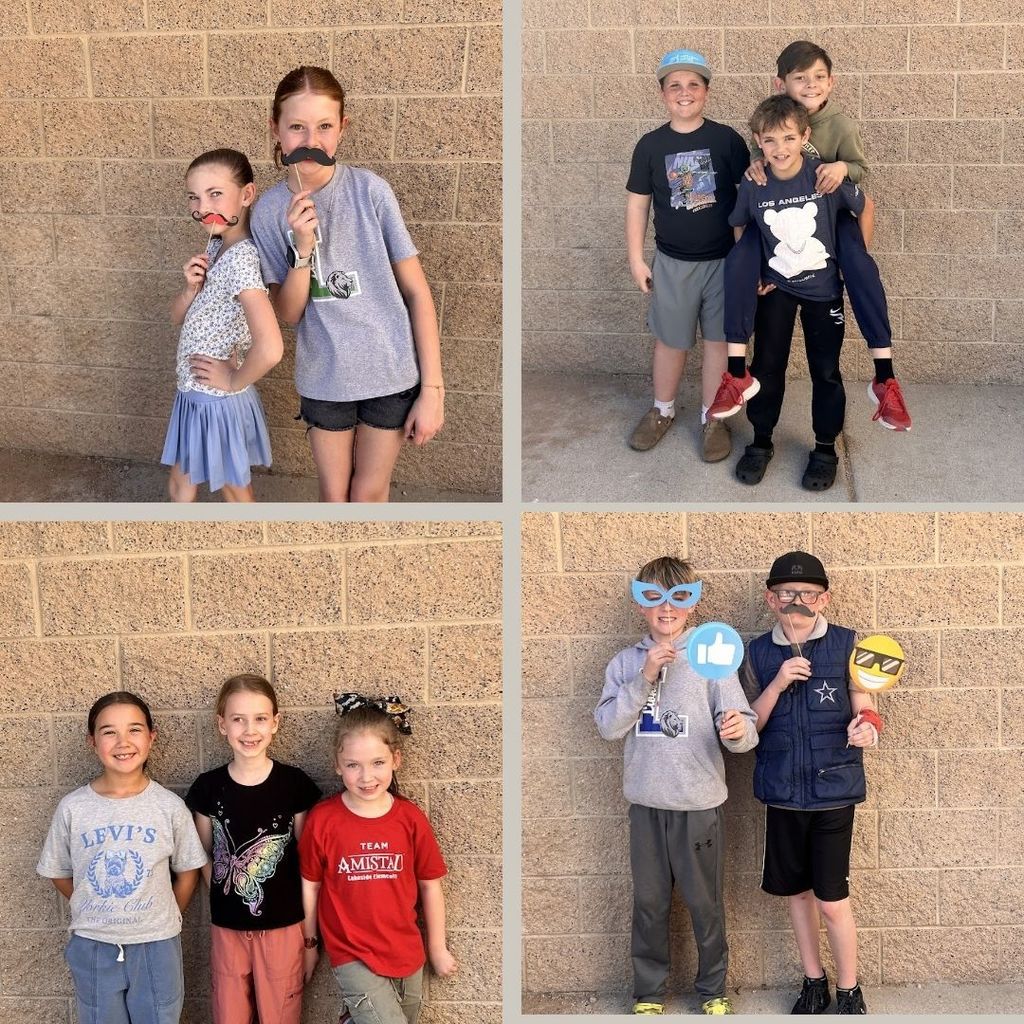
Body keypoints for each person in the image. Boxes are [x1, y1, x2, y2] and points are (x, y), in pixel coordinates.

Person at [250, 66, 445, 502]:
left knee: (370, 492)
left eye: (324, 126)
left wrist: (433, 390)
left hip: (391, 372)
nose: (310, 141)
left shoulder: (371, 192)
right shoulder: (267, 212)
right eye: (296, 127)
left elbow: (417, 293)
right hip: (325, 377)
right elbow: (289, 313)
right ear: (276, 131)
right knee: (334, 497)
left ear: (342, 128)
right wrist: (302, 249)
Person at [710, 40, 911, 432]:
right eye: (800, 78)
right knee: (741, 268)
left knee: (858, 267)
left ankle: (883, 377)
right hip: (775, 228)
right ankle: (750, 410)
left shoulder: (840, 125)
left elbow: (859, 174)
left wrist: (840, 169)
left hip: (832, 216)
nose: (810, 85)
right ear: (781, 83)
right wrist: (755, 167)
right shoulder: (773, 122)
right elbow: (764, 163)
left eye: (819, 77)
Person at [594, 557, 758, 1015]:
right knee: (648, 904)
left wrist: (737, 732)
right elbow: (608, 726)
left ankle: (713, 990)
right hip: (646, 805)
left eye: (679, 598)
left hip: (699, 805)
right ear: (639, 603)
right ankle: (649, 992)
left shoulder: (713, 660)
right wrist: (644, 676)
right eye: (654, 598)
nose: (666, 609)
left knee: (705, 905)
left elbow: (745, 730)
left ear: (693, 604)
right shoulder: (625, 662)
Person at [740, 551, 880, 1015]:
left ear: (824, 599)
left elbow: (865, 704)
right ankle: (813, 982)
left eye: (807, 595)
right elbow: (750, 726)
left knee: (832, 899)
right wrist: (778, 683)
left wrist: (867, 725)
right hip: (783, 793)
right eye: (786, 594)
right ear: (770, 598)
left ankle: (849, 988)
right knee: (797, 894)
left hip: (832, 793)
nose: (796, 602)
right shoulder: (758, 652)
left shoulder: (845, 644)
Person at [722, 95, 874, 491]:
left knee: (825, 370)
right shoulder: (754, 182)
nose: (780, 149)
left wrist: (854, 264)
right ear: (758, 141)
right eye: (770, 141)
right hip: (776, 289)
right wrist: (750, 270)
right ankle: (761, 441)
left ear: (804, 136)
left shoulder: (824, 175)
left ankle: (825, 448)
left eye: (789, 138)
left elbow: (865, 208)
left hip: (823, 292)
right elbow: (740, 226)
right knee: (767, 366)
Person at [36, 692, 208, 1024]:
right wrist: (96, 902)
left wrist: (164, 912)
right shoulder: (74, 808)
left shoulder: (168, 806)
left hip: (157, 945)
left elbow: (188, 872)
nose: (122, 742)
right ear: (92, 740)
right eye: (109, 731)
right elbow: (58, 871)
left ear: (151, 737)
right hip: (94, 945)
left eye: (134, 729)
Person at [298, 694, 458, 1023]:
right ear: (337, 764)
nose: (366, 776)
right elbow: (310, 886)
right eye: (353, 765)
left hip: (407, 952)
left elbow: (430, 887)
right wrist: (310, 944)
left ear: (396, 759)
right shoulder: (323, 820)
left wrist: (437, 948)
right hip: (352, 953)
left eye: (377, 763)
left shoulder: (409, 818)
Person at [624, 50, 750, 463]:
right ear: (662, 94)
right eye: (675, 85)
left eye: (693, 84)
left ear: (707, 92)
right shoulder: (651, 145)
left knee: (719, 342)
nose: (684, 92)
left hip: (724, 262)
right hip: (673, 262)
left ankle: (713, 417)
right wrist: (637, 258)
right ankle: (662, 410)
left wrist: (749, 259)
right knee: (671, 341)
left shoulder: (726, 140)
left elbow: (747, 200)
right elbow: (638, 204)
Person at [185, 675, 322, 1024]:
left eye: (260, 718)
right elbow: (204, 857)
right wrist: (226, 899)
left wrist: (309, 939)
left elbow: (307, 866)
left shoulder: (294, 785)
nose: (250, 729)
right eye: (238, 719)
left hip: (284, 930)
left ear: (275, 722)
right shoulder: (207, 788)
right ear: (222, 724)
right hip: (227, 931)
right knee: (229, 1015)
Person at [161, 148, 284, 502]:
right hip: (193, 394)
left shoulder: (242, 260)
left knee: (234, 490)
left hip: (215, 401)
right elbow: (176, 319)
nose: (203, 206)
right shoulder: (216, 248)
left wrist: (233, 380)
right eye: (194, 197)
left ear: (246, 195)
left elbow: (271, 348)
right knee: (181, 480)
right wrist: (189, 289)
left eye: (215, 194)